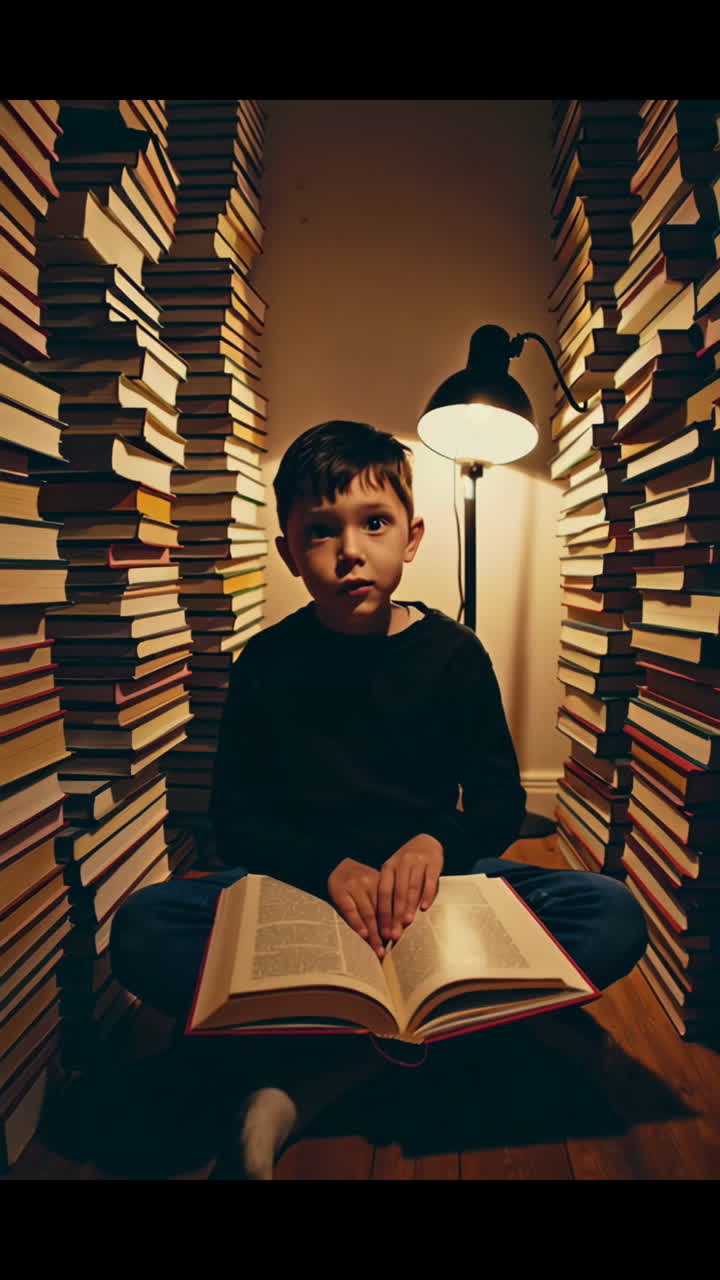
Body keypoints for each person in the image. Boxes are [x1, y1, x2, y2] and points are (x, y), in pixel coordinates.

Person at [110, 419, 648, 1179]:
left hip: (437, 896)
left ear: (412, 537)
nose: (350, 550)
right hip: (302, 896)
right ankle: (432, 1044)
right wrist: (327, 868)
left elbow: (498, 803)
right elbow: (234, 821)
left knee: (611, 912)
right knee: (142, 929)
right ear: (289, 552)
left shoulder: (454, 653)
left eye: (374, 524)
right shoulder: (266, 662)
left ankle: (310, 1075)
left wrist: (434, 845)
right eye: (321, 531)